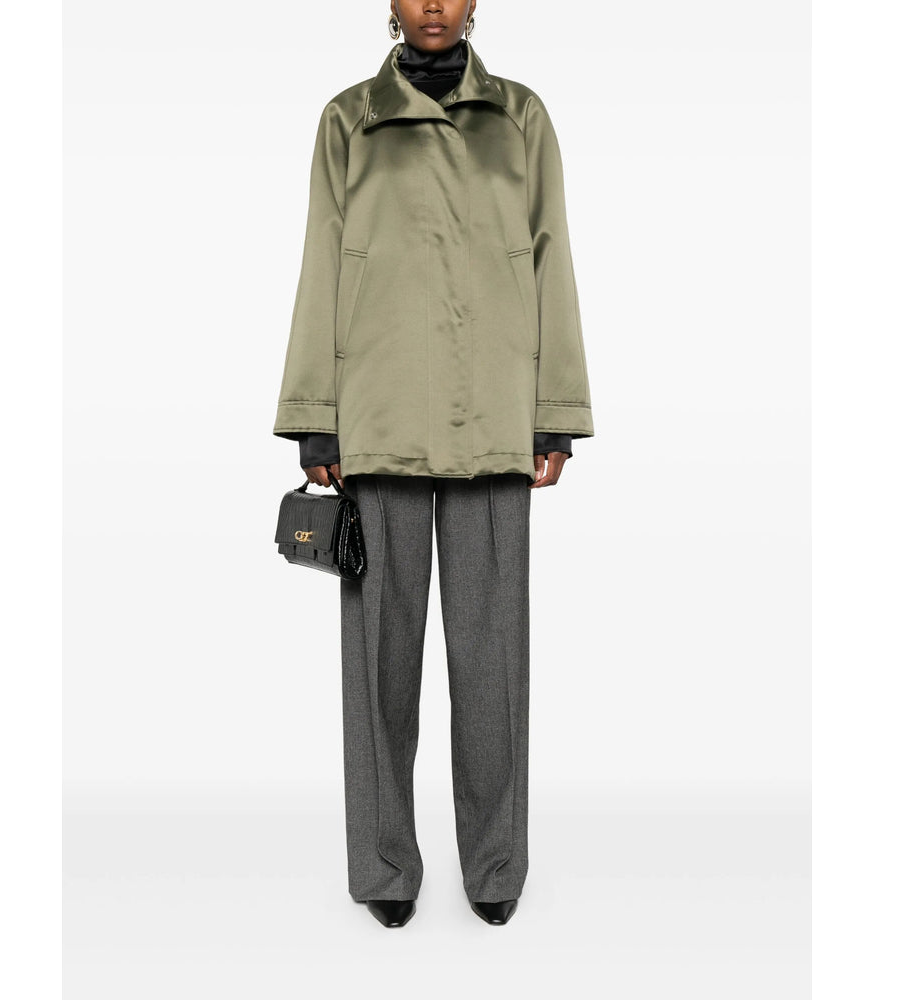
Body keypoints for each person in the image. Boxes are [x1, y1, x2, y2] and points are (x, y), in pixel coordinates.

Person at [273, 1, 593, 928]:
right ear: (391, 4)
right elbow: (323, 261)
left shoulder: (521, 115)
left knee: (493, 662)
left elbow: (551, 257)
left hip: (495, 413)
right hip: (379, 414)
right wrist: (316, 419)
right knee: (380, 662)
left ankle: (495, 866)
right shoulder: (348, 118)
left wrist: (555, 413)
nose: (434, 5)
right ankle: (384, 867)